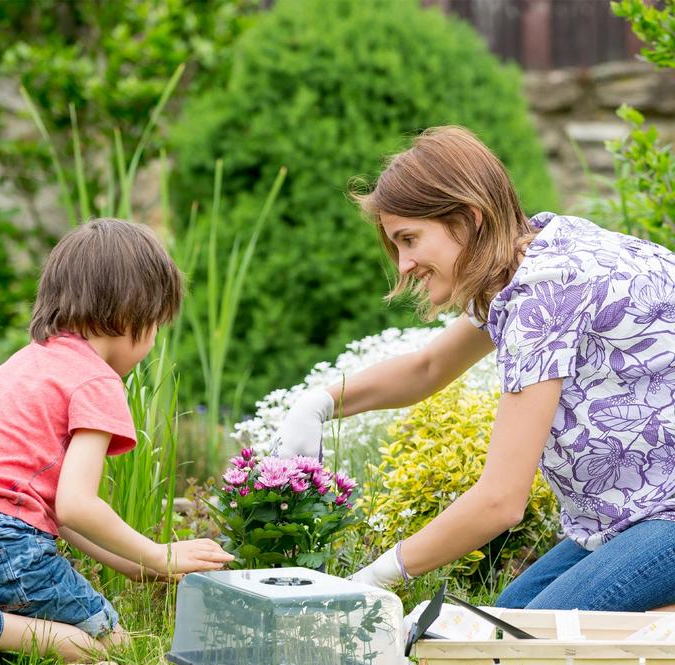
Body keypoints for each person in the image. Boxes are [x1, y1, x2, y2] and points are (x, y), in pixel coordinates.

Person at [276, 125, 675, 612]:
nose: (403, 264)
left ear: (466, 218)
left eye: (410, 239)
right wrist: (318, 403)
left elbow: (501, 501)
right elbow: (429, 367)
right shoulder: (535, 254)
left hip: (665, 516)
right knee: (506, 619)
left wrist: (376, 576)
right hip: (634, 514)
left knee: (527, 648)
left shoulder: (545, 294)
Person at [0, 218, 233, 665]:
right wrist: (158, 555)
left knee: (28, 646)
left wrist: (132, 565)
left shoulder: (28, 362)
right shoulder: (96, 379)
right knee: (109, 640)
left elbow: (57, 512)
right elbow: (77, 504)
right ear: (134, 313)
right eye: (157, 325)